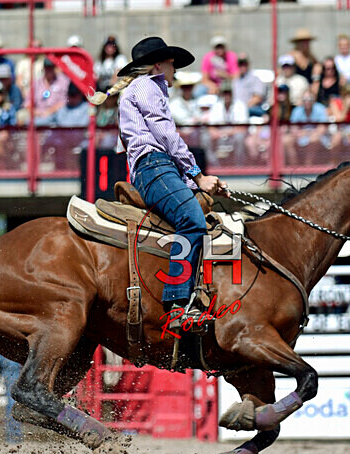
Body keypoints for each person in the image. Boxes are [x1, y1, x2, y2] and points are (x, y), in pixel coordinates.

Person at [87, 36, 229, 327]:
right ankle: (178, 304)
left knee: (198, 214)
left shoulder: (137, 89)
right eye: (171, 63)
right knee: (192, 220)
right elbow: (165, 135)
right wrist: (198, 175)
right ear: (157, 65)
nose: (175, 69)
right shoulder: (147, 86)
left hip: (157, 170)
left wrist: (197, 182)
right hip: (156, 168)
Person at [28, 59, 69, 127]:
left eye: (51, 67)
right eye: (47, 67)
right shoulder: (37, 83)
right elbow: (28, 103)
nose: (49, 70)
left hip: (56, 115)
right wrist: (35, 112)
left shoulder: (63, 81)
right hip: (39, 115)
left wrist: (50, 111)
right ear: (43, 68)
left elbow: (66, 101)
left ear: (55, 68)